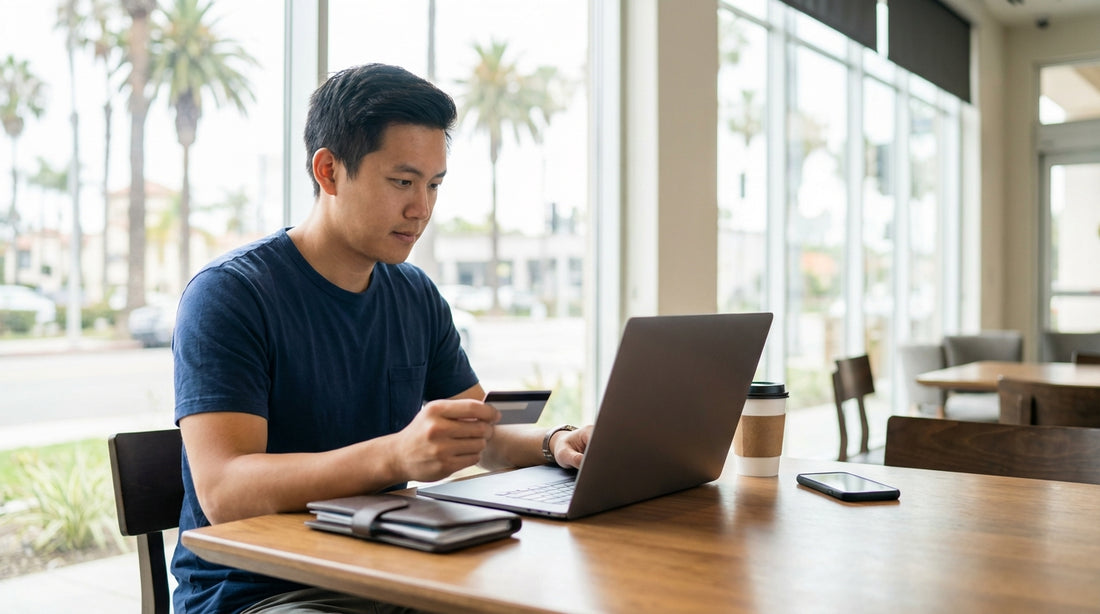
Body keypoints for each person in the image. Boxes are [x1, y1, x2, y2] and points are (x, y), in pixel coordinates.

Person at [169, 63, 592, 614]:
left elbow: (476, 432)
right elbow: (225, 491)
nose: (422, 208)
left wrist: (556, 443)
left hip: (387, 574)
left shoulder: (414, 293)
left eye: (434, 185)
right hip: (263, 592)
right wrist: (396, 455)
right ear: (329, 171)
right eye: (402, 181)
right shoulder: (230, 295)